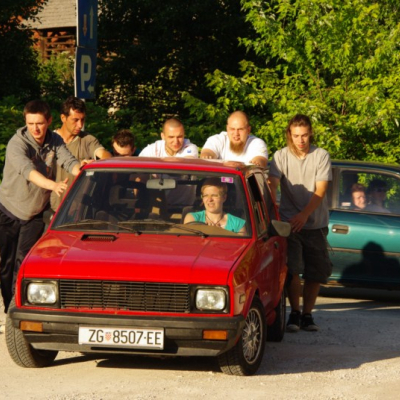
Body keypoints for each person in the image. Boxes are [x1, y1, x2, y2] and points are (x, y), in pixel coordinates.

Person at [0, 99, 85, 313]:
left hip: (36, 212)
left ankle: (19, 307)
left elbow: (68, 161)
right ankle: (9, 307)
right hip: (9, 209)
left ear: (49, 121)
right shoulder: (17, 143)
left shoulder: (54, 140)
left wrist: (82, 170)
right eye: (30, 124)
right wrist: (53, 185)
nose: (35, 129)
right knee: (7, 264)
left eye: (39, 123)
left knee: (24, 259)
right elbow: (28, 171)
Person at [268, 114, 332, 332]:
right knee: (292, 269)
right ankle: (294, 312)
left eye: (304, 135)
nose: (300, 140)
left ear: (310, 133)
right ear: (290, 134)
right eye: (296, 135)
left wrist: (304, 214)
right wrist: (272, 207)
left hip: (315, 223)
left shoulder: (321, 155)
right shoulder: (280, 156)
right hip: (289, 222)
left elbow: (321, 189)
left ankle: (307, 314)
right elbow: (272, 184)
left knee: (316, 272)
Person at [50, 96, 112, 211]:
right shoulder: (48, 140)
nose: (80, 125)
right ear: (63, 118)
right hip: (51, 209)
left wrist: (95, 163)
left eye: (82, 120)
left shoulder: (87, 140)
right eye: (75, 120)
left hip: (78, 210)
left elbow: (105, 155)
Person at [200, 111, 268, 167]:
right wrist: (207, 156)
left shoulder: (257, 143)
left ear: (248, 130)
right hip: (218, 179)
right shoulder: (217, 140)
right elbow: (206, 154)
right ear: (227, 128)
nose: (236, 133)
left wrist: (256, 163)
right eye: (232, 129)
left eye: (240, 129)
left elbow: (260, 162)